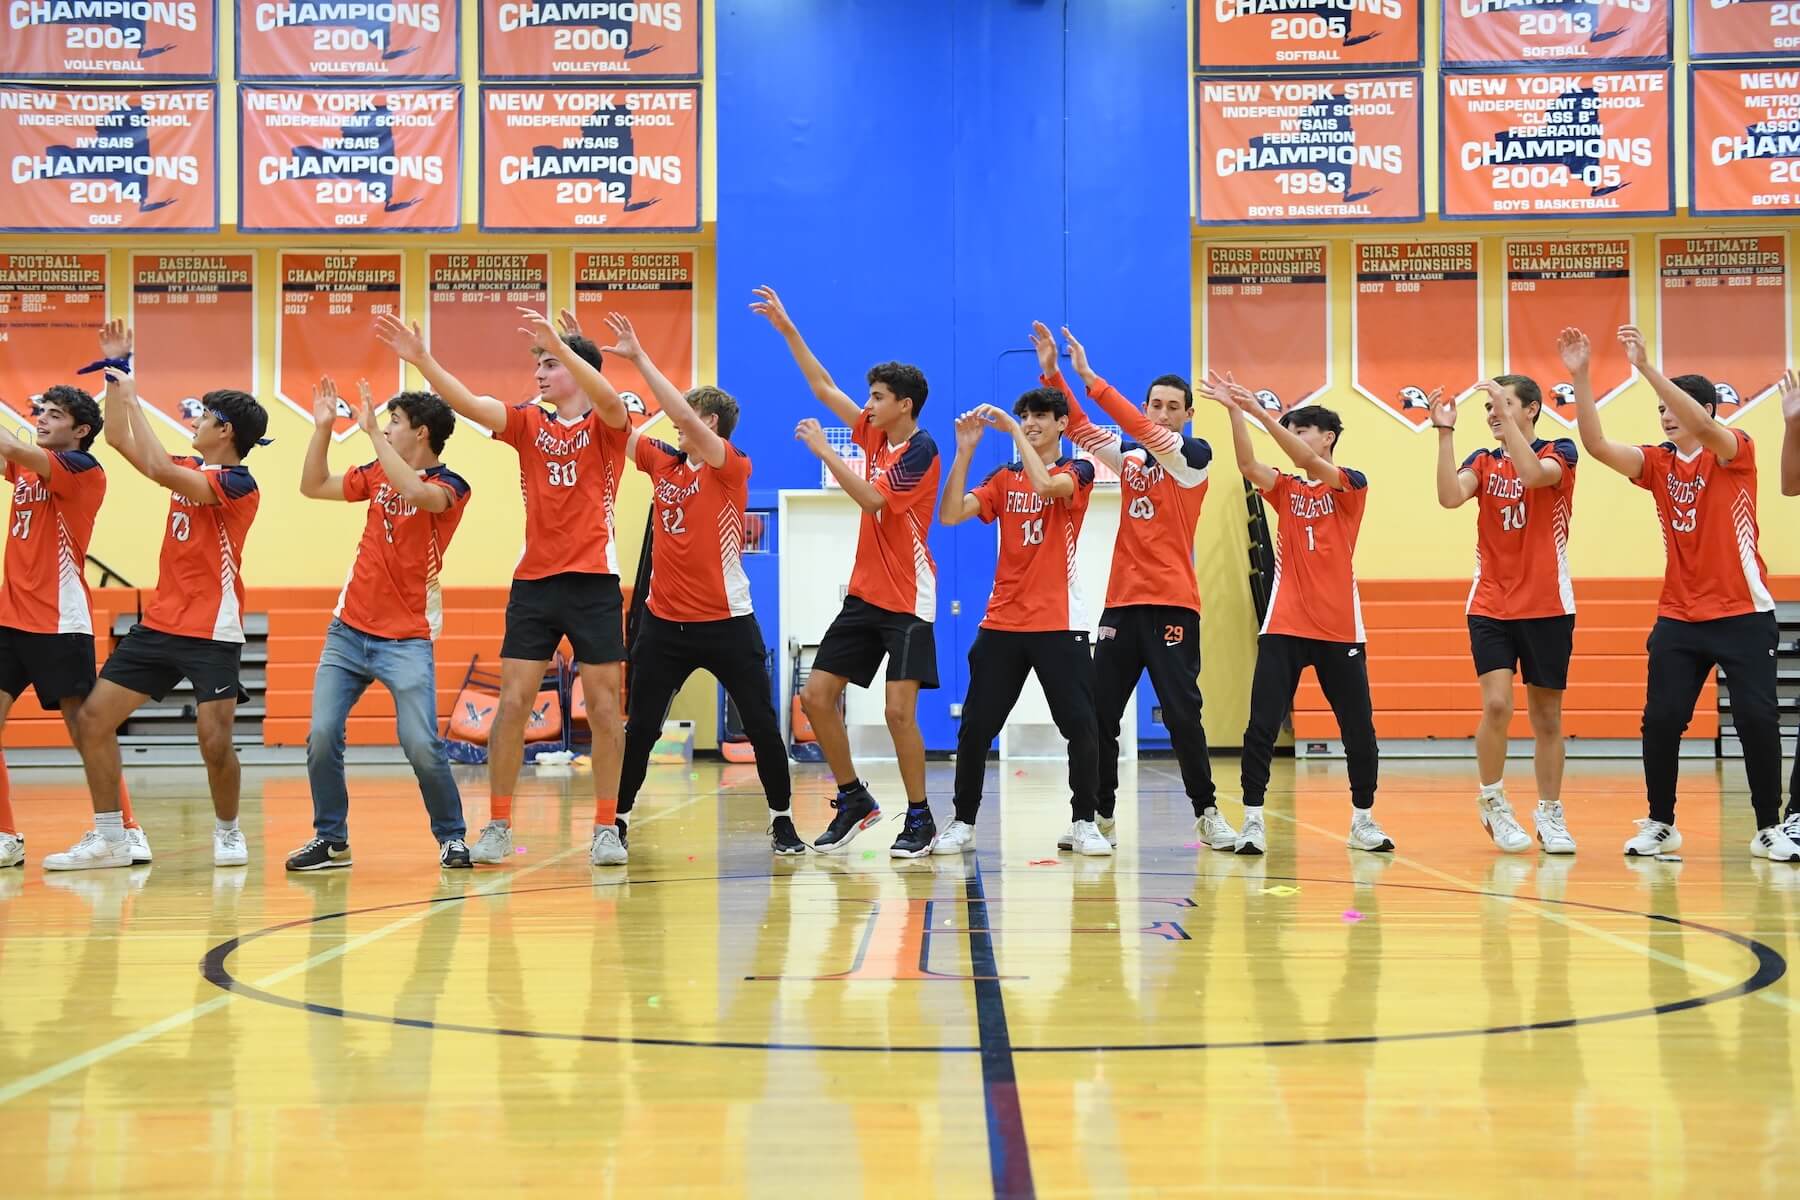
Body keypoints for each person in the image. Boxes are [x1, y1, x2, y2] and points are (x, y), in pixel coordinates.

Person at [375, 307, 633, 867]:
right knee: (513, 704)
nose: (539, 373)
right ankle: (496, 824)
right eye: (538, 364)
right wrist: (423, 359)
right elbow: (469, 404)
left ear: (577, 369)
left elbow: (610, 401)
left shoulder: (607, 428)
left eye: (549, 364)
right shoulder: (527, 423)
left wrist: (564, 347)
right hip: (535, 583)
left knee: (608, 712)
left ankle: (606, 828)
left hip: (593, 582)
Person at [1567, 326, 1798, 861]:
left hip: (1742, 610)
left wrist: (1648, 370)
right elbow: (1597, 445)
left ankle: (1768, 826)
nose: (1667, 416)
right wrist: (1581, 377)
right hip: (1679, 615)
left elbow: (1700, 423)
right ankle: (1661, 823)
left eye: (1677, 407)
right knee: (1663, 718)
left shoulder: (1734, 449)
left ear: (1708, 410)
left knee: (1758, 719)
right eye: (1661, 410)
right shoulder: (1659, 463)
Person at [48, 321, 267, 871]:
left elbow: (161, 468)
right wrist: (117, 375)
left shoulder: (239, 484)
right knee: (95, 719)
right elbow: (125, 442)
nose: (196, 421)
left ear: (227, 432)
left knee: (213, 741)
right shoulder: (193, 466)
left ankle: (229, 831)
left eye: (206, 418)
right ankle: (111, 838)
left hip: (211, 631)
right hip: (161, 624)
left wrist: (130, 376)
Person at [750, 286, 942, 857]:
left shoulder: (920, 450)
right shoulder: (876, 436)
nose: (868, 404)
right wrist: (788, 329)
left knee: (895, 711)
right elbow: (822, 387)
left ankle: (920, 816)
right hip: (866, 595)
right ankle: (854, 796)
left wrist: (825, 453)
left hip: (908, 597)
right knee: (815, 697)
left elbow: (875, 502)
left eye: (878, 397)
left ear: (904, 403)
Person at [1033, 322, 1236, 851]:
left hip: (1173, 604)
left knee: (1181, 714)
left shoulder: (1195, 459)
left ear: (1189, 414)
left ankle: (1207, 813)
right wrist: (1054, 369)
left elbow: (1137, 430)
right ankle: (1099, 815)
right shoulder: (1129, 460)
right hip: (1121, 605)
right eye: (1155, 404)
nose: (1162, 413)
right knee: (1099, 714)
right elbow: (1077, 426)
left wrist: (1092, 378)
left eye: (1173, 406)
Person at [605, 314, 802, 855]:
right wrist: (581, 362)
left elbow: (677, 417)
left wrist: (642, 357)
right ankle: (616, 822)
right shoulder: (663, 465)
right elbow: (614, 421)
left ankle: (782, 820)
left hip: (727, 623)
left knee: (761, 724)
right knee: (640, 728)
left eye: (687, 414)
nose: (674, 424)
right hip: (664, 625)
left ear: (710, 421)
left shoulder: (729, 466)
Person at [286, 378, 474, 871]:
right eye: (385, 422)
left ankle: (452, 836)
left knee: (420, 743)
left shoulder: (451, 486)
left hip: (406, 638)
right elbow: (310, 486)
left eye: (394, 422)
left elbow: (415, 489)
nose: (386, 429)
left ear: (422, 433)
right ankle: (331, 839)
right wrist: (323, 429)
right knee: (322, 735)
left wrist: (370, 433)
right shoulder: (374, 473)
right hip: (347, 631)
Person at [1205, 375, 1393, 856]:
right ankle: (1251, 820)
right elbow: (1248, 463)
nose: (1297, 437)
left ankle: (1363, 820)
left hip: (1339, 628)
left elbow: (1305, 460)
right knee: (1262, 724)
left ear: (1327, 436)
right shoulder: (1286, 489)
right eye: (1292, 429)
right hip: (1285, 623)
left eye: (1303, 429)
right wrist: (1234, 412)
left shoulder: (1351, 484)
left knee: (1358, 728)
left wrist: (1263, 414)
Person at [935, 394, 1105, 856]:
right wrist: (965, 451)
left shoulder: (1079, 470)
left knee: (1080, 726)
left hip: (1059, 622)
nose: (1030, 423)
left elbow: (1049, 487)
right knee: (975, 727)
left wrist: (1011, 430)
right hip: (1003, 622)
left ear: (1062, 424)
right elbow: (950, 514)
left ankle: (1084, 822)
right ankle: (963, 822)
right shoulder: (1002, 479)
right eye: (1025, 416)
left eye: (1039, 417)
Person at [0, 382, 149, 868]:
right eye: (40, 411)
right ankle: (5, 836)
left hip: (58, 622)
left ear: (81, 430)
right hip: (10, 619)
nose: (42, 418)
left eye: (55, 415)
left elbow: (9, 443)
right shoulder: (29, 465)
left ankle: (125, 829)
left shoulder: (83, 469)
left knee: (88, 730)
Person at [1431, 373, 1579, 855]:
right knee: (1496, 706)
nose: (1493, 413)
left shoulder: (1561, 451)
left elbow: (1535, 476)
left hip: (1547, 603)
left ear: (1532, 409)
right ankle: (1492, 801)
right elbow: (1449, 498)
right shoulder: (1483, 461)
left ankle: (1551, 813)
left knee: (1547, 718)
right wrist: (1445, 433)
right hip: (1492, 601)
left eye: (1504, 404)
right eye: (1490, 408)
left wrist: (1504, 410)